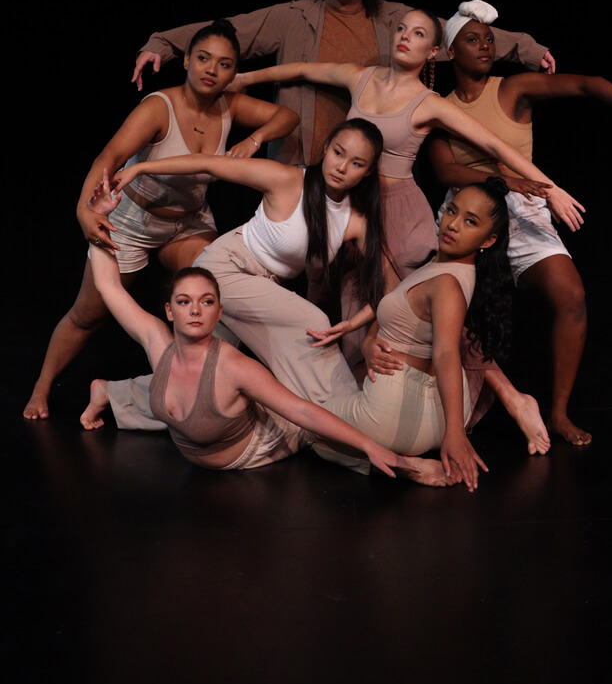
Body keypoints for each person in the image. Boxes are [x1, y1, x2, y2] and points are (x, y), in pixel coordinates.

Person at [228, 8, 584, 367]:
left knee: (396, 312)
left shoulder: (428, 102)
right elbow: (303, 68)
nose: (404, 36)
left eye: (417, 34)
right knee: (322, 291)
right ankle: (325, 391)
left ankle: (423, 395)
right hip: (347, 201)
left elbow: (495, 146)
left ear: (433, 52)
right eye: (401, 29)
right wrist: (244, 78)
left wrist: (550, 188)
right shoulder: (362, 78)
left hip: (396, 210)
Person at [24, 20, 298, 420]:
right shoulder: (159, 107)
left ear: (233, 72)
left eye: (224, 65)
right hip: (133, 219)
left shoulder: (231, 104)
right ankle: (40, 388)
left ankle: (195, 391)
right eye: (203, 59)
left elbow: (287, 116)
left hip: (189, 222)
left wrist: (254, 140)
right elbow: (109, 157)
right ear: (186, 59)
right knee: (88, 314)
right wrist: (83, 208)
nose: (211, 70)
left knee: (214, 302)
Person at [427, 0, 612, 445]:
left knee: (571, 294)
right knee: (455, 311)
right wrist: (507, 179)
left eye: (489, 40)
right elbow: (445, 172)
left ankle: (557, 411)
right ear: (450, 52)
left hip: (524, 207)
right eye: (472, 40)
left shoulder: (512, 90)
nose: (484, 47)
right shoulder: (439, 106)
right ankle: (469, 404)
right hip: (468, 209)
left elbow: (586, 85)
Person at [131, 0, 557, 166]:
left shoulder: (395, 20)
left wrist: (526, 49)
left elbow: (460, 34)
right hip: (300, 159)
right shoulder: (293, 16)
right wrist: (164, 44)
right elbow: (229, 31)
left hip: (363, 165)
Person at [81, 194, 414, 480]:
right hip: (207, 455)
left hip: (264, 444)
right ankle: (109, 391)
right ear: (170, 311)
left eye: (207, 302)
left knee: (319, 431)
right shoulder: (157, 343)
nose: (195, 310)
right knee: (175, 388)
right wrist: (101, 217)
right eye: (184, 302)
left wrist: (371, 447)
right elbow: (109, 286)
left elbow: (303, 413)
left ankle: (405, 461)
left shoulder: (235, 367)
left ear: (219, 311)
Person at [105, 119, 392, 410]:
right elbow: (209, 164)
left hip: (260, 288)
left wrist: (352, 326)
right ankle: (351, 416)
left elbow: (386, 287)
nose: (341, 167)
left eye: (356, 163)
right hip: (224, 269)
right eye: (338, 153)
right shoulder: (287, 179)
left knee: (204, 381)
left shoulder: (355, 222)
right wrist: (139, 168)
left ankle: (112, 395)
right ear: (327, 147)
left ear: (368, 172)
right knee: (312, 324)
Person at [312, 179, 551, 490]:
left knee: (305, 425)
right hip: (432, 417)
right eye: (452, 211)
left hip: (395, 414)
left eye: (470, 221)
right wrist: (370, 342)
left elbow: (447, 353)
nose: (452, 224)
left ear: (488, 240)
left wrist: (456, 434)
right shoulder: (446, 269)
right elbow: (395, 310)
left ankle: (404, 466)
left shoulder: (447, 285)